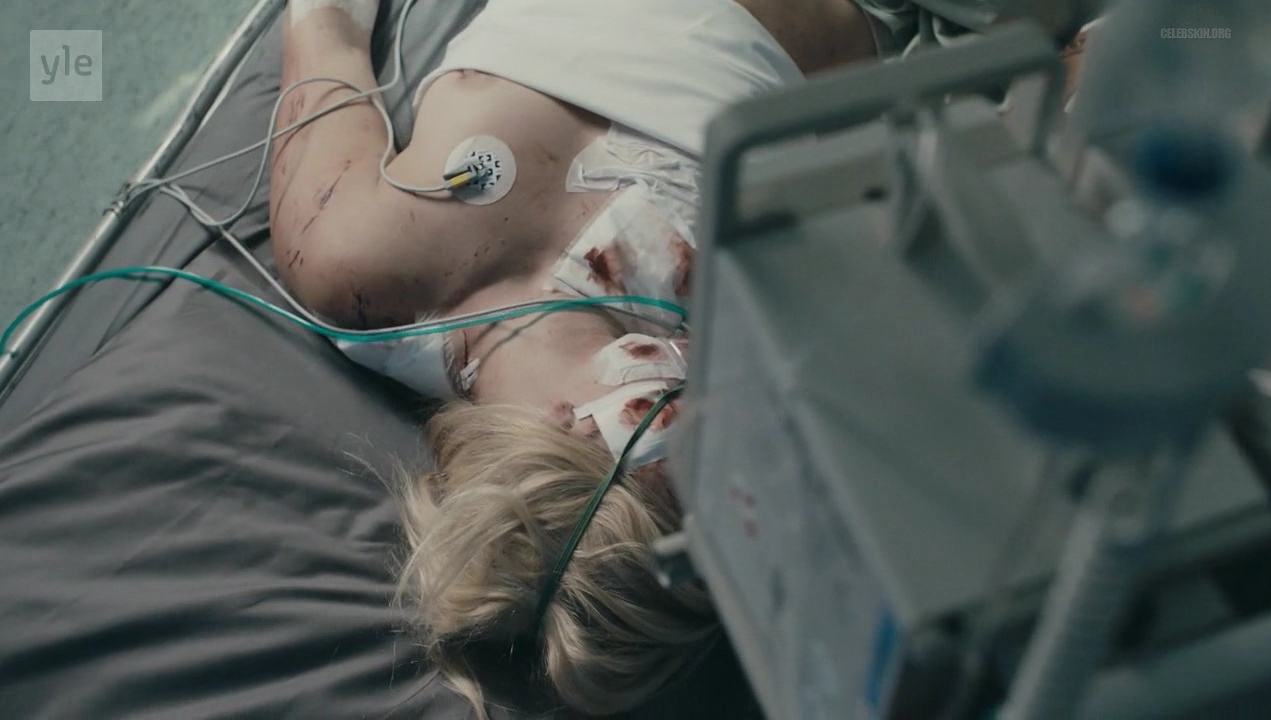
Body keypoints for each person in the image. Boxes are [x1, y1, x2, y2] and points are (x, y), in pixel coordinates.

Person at [270, 0, 877, 716]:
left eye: (683, 436)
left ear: (575, 428)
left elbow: (323, 23)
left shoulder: (350, 258)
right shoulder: (766, 306)